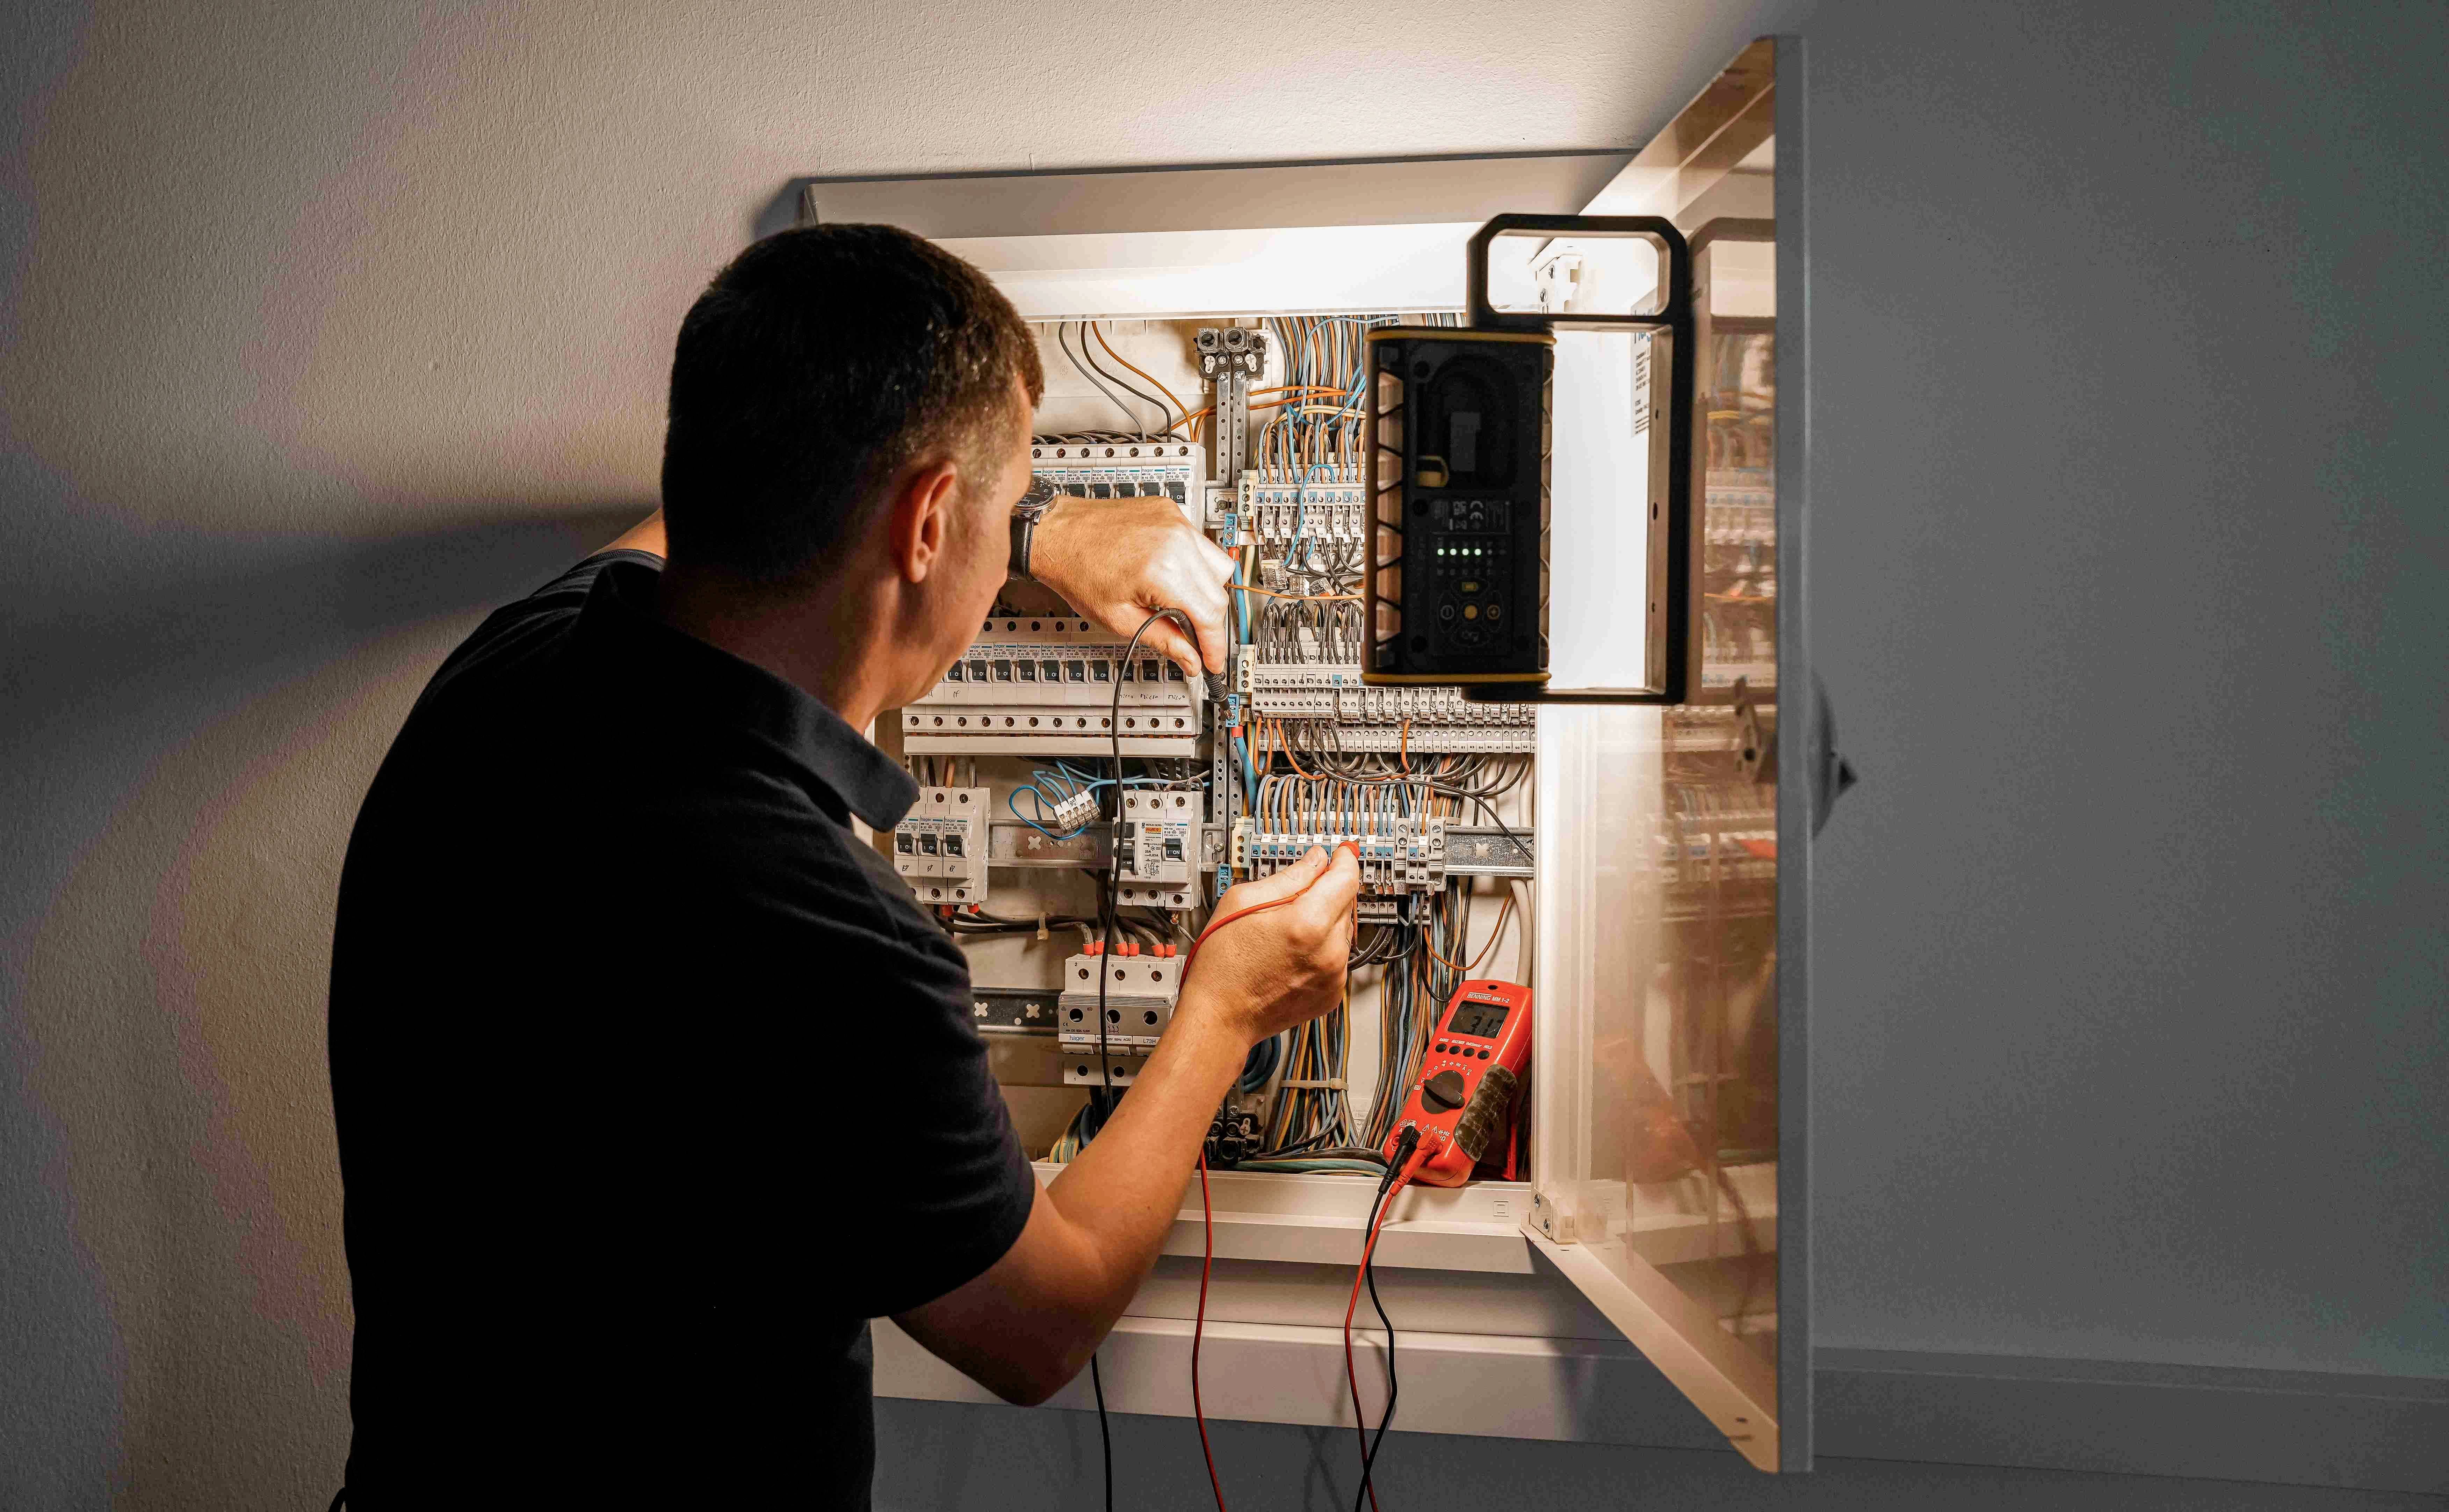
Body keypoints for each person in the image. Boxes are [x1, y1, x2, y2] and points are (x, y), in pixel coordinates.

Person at [326, 224, 1360, 1509]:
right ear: (928, 519)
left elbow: (680, 524)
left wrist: (1037, 525)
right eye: (1001, 498)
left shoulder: (512, 671)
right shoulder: (820, 929)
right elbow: (1038, 1322)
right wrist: (1226, 1008)